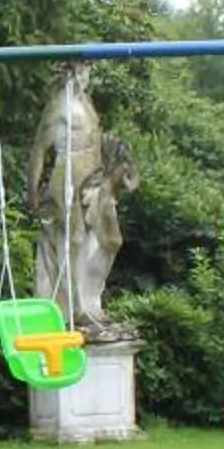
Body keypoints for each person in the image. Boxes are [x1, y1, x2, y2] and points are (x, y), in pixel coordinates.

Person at [25, 64, 139, 336]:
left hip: (94, 180)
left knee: (110, 240)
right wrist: (32, 192)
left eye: (86, 70)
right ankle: (76, 308)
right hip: (67, 177)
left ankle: (91, 303)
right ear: (67, 72)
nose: (83, 76)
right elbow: (39, 152)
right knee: (74, 239)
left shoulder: (86, 103)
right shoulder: (57, 106)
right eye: (79, 70)